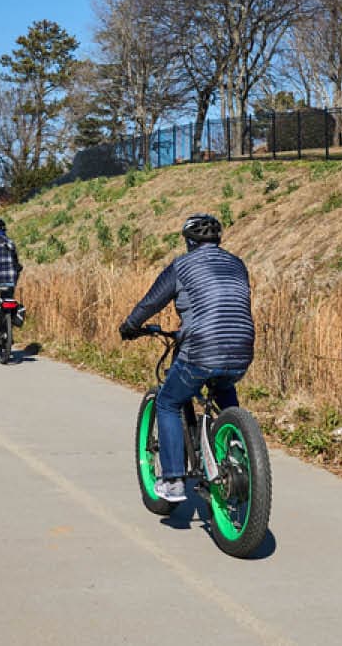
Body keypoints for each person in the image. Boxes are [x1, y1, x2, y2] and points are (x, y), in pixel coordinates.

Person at [118, 213, 253, 503]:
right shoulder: (237, 264)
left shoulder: (182, 266)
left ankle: (174, 480)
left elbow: (152, 301)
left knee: (168, 401)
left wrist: (129, 326)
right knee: (223, 385)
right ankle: (237, 449)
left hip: (201, 347)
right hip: (242, 347)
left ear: (190, 241)